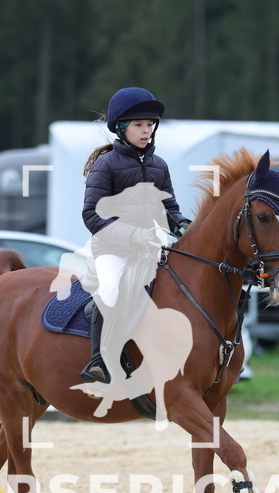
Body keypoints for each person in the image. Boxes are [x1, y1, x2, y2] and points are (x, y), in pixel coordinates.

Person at [79, 86, 191, 385]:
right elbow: (92, 215)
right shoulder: (106, 165)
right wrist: (135, 236)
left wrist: (183, 225)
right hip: (112, 250)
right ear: (121, 127)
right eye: (139, 125)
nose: (146, 131)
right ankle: (98, 361)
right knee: (112, 290)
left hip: (150, 250)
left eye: (150, 125)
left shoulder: (159, 165)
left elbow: (170, 208)